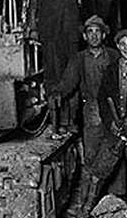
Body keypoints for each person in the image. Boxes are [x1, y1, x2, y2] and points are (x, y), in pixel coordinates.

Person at [79, 27, 127, 218]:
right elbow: (103, 99)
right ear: (118, 46)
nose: (126, 48)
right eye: (123, 44)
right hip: (116, 127)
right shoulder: (111, 70)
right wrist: (110, 122)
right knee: (101, 166)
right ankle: (87, 206)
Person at [27, 0, 82, 130]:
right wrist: (32, 28)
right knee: (52, 74)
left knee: (72, 73)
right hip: (49, 32)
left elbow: (79, 5)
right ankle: (54, 122)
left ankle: (69, 120)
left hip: (70, 33)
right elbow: (33, 1)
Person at [49, 15, 118, 148]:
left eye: (97, 31)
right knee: (92, 151)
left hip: (113, 110)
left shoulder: (114, 56)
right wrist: (58, 92)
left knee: (114, 153)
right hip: (92, 110)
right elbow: (68, 81)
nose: (94, 36)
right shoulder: (78, 59)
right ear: (85, 36)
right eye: (90, 32)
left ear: (103, 35)